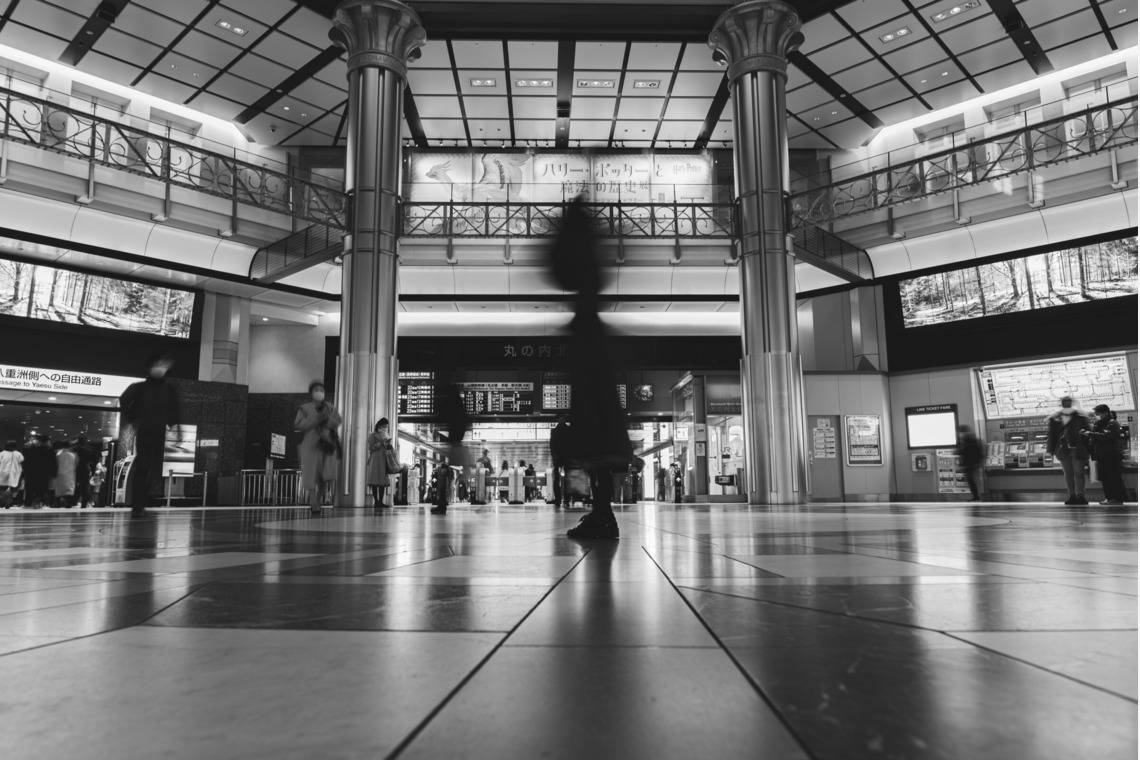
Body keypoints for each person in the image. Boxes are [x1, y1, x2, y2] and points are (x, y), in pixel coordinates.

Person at [550, 197, 632, 539]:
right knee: (599, 440)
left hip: (589, 345)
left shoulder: (582, 261)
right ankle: (602, 513)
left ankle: (603, 515)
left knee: (596, 435)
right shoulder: (593, 258)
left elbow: (557, 268)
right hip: (592, 340)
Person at [120, 353, 180, 518]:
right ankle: (138, 502)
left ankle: (142, 500)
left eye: (163, 365)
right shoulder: (139, 388)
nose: (161, 368)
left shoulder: (170, 390)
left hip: (159, 431)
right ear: (149, 368)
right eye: (158, 364)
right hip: (146, 431)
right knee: (144, 466)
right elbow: (124, 401)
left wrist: (174, 424)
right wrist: (134, 419)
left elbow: (176, 410)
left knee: (152, 467)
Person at [294, 380, 342, 515]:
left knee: (324, 476)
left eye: (321, 390)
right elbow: (300, 425)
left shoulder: (330, 407)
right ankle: (313, 502)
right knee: (310, 475)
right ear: (311, 393)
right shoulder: (304, 408)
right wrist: (316, 419)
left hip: (326, 445)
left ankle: (318, 500)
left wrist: (327, 419)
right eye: (316, 390)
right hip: (310, 445)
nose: (319, 393)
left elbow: (337, 421)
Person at [1045, 396, 1091, 506]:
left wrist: (1088, 449)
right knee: (1070, 474)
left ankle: (1079, 495)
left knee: (1077, 473)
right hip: (1063, 449)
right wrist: (1050, 449)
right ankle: (1073, 495)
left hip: (1075, 448)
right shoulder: (1057, 418)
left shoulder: (1078, 417)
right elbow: (1051, 435)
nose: (1066, 403)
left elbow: (1088, 433)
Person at [1083, 404, 1128, 506]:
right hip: (1102, 454)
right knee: (1106, 478)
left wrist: (1090, 433)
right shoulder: (1099, 423)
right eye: (1096, 414)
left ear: (1105, 413)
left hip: (1111, 455)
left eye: (1098, 414)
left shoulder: (1112, 423)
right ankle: (1110, 498)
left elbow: (1107, 436)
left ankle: (1117, 498)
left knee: (1113, 477)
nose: (1096, 416)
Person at [22, 435, 56, 510]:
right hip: (44, 472)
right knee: (42, 488)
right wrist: (53, 473)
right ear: (48, 441)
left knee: (30, 488)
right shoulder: (50, 450)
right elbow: (52, 463)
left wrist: (26, 471)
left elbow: (27, 461)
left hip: (32, 472)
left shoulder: (33, 449)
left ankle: (28, 503)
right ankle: (38, 501)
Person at [366, 418, 394, 509]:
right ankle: (376, 501)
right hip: (375, 459)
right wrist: (380, 443)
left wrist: (388, 445)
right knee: (375, 480)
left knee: (382, 481)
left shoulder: (386, 435)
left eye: (386, 426)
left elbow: (388, 448)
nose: (385, 428)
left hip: (383, 458)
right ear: (379, 426)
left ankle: (380, 501)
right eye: (384, 426)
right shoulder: (372, 435)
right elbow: (371, 448)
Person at [955, 424, 985, 502]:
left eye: (960, 432)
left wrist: (959, 452)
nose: (959, 434)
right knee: (972, 481)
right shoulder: (972, 440)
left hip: (970, 464)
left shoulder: (967, 441)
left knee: (971, 481)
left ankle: (976, 497)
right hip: (973, 463)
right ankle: (976, 497)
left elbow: (964, 452)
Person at [550, 415, 570, 508]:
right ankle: (560, 499)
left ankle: (565, 499)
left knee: (565, 479)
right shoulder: (568, 430)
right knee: (558, 479)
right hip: (560, 457)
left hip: (564, 457)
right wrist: (554, 455)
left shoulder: (555, 431)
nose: (562, 419)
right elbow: (552, 445)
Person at [72, 437, 97, 509]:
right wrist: (92, 470)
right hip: (85, 469)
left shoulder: (75, 450)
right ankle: (84, 503)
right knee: (85, 486)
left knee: (76, 487)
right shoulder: (88, 450)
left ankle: (74, 501)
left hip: (75, 469)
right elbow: (94, 461)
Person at [54, 440, 77, 508]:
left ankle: (58, 504)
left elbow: (56, 464)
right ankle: (68, 504)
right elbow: (75, 464)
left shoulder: (58, 454)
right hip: (70, 474)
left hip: (60, 474)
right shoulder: (72, 455)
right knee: (69, 490)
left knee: (59, 490)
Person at [0, 440, 23, 509]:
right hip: (14, 473)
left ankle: (5, 501)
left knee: (3, 488)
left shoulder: (2, 453)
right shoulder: (18, 454)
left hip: (3, 472)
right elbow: (22, 461)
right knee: (13, 488)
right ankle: (7, 501)